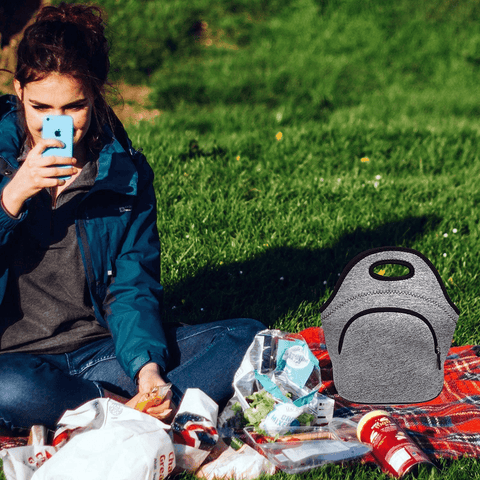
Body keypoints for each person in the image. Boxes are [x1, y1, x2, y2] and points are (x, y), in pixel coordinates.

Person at [0, 3, 264, 436]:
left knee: (248, 339)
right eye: (40, 106)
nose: (56, 124)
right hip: (12, 362)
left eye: (74, 107)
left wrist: (147, 371)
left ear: (97, 91)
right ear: (18, 91)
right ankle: (134, 414)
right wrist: (11, 197)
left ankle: (123, 408)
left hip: (97, 354)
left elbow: (131, 285)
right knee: (8, 388)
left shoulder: (123, 173)